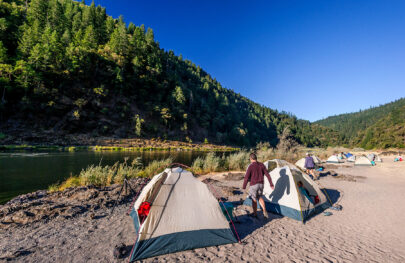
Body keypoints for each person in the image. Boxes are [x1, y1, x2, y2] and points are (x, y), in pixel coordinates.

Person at [242, 153, 274, 218]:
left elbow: (246, 177)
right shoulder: (262, 165)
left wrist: (244, 186)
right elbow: (268, 175)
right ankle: (264, 210)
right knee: (259, 197)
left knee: (254, 199)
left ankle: (255, 214)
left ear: (251, 159)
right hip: (261, 184)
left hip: (254, 185)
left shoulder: (251, 166)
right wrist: (271, 184)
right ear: (256, 158)